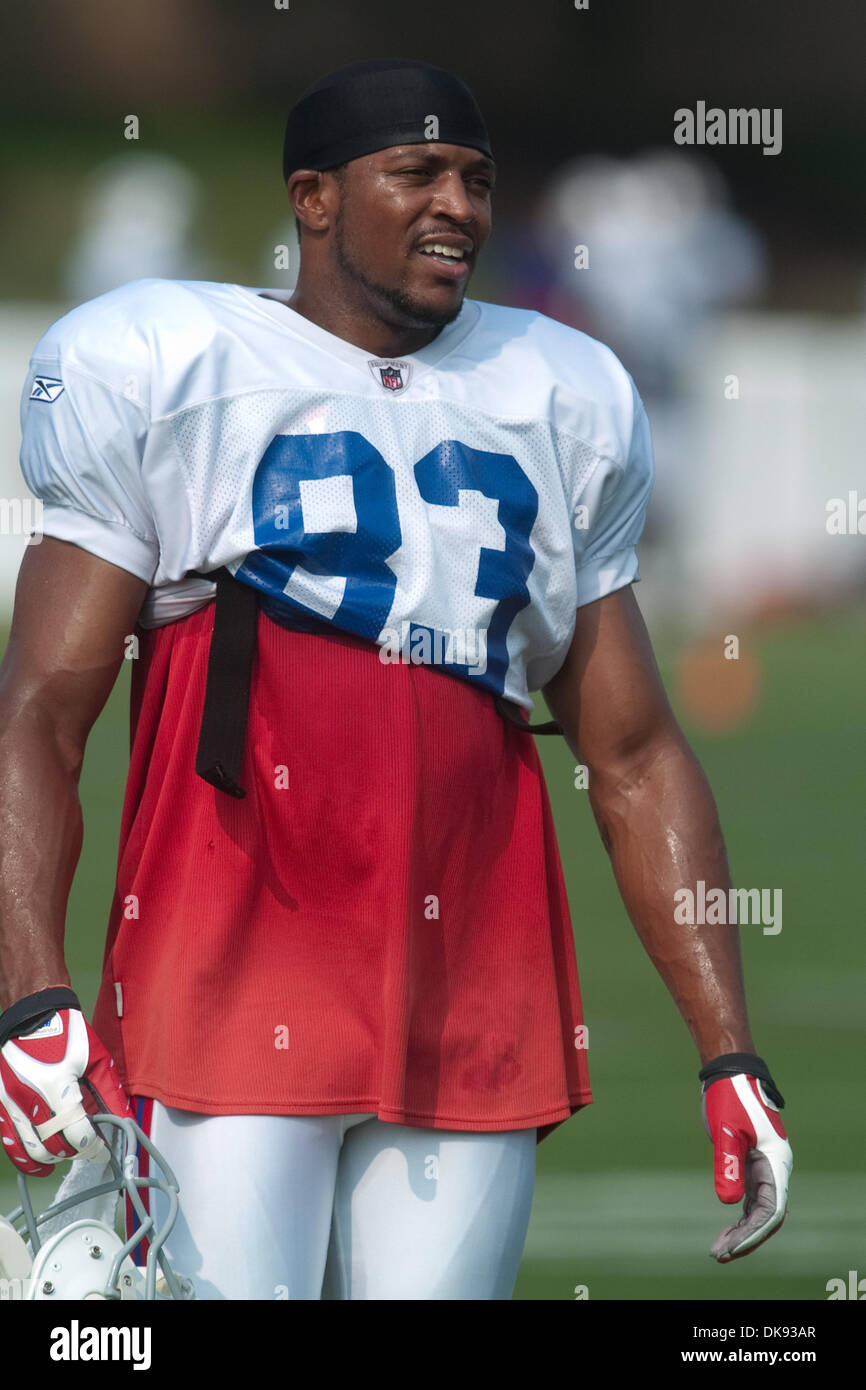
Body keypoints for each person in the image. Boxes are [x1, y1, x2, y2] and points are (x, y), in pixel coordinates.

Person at [0, 58, 791, 1300]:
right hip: (226, 968)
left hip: (476, 985)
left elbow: (632, 751)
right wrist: (29, 992)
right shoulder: (168, 362)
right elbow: (42, 712)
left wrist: (727, 1052)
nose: (459, 206)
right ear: (312, 198)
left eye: (476, 180)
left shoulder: (559, 391)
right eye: (415, 172)